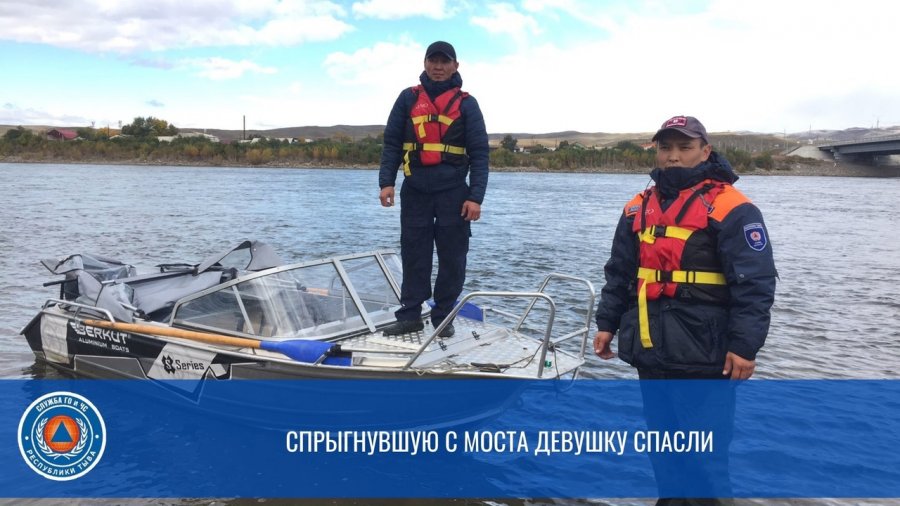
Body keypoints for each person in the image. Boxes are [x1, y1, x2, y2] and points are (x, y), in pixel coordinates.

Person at [593, 115, 777, 504]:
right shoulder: (636, 208)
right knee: (664, 453)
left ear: (705, 151)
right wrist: (606, 323)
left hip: (705, 356)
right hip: (651, 351)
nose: (673, 156)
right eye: (665, 147)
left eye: (684, 147)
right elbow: (620, 272)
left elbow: (755, 285)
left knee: (706, 461)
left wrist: (744, 347)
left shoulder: (733, 208)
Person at [378, 41, 489, 338]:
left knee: (453, 257)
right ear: (425, 63)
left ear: (455, 66)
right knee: (415, 254)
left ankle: (443, 317)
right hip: (415, 189)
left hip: (454, 193)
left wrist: (475, 197)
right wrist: (386, 181)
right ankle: (410, 315)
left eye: (444, 62)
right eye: (433, 61)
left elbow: (480, 154)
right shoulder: (407, 98)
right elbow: (391, 143)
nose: (438, 67)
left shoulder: (467, 104)